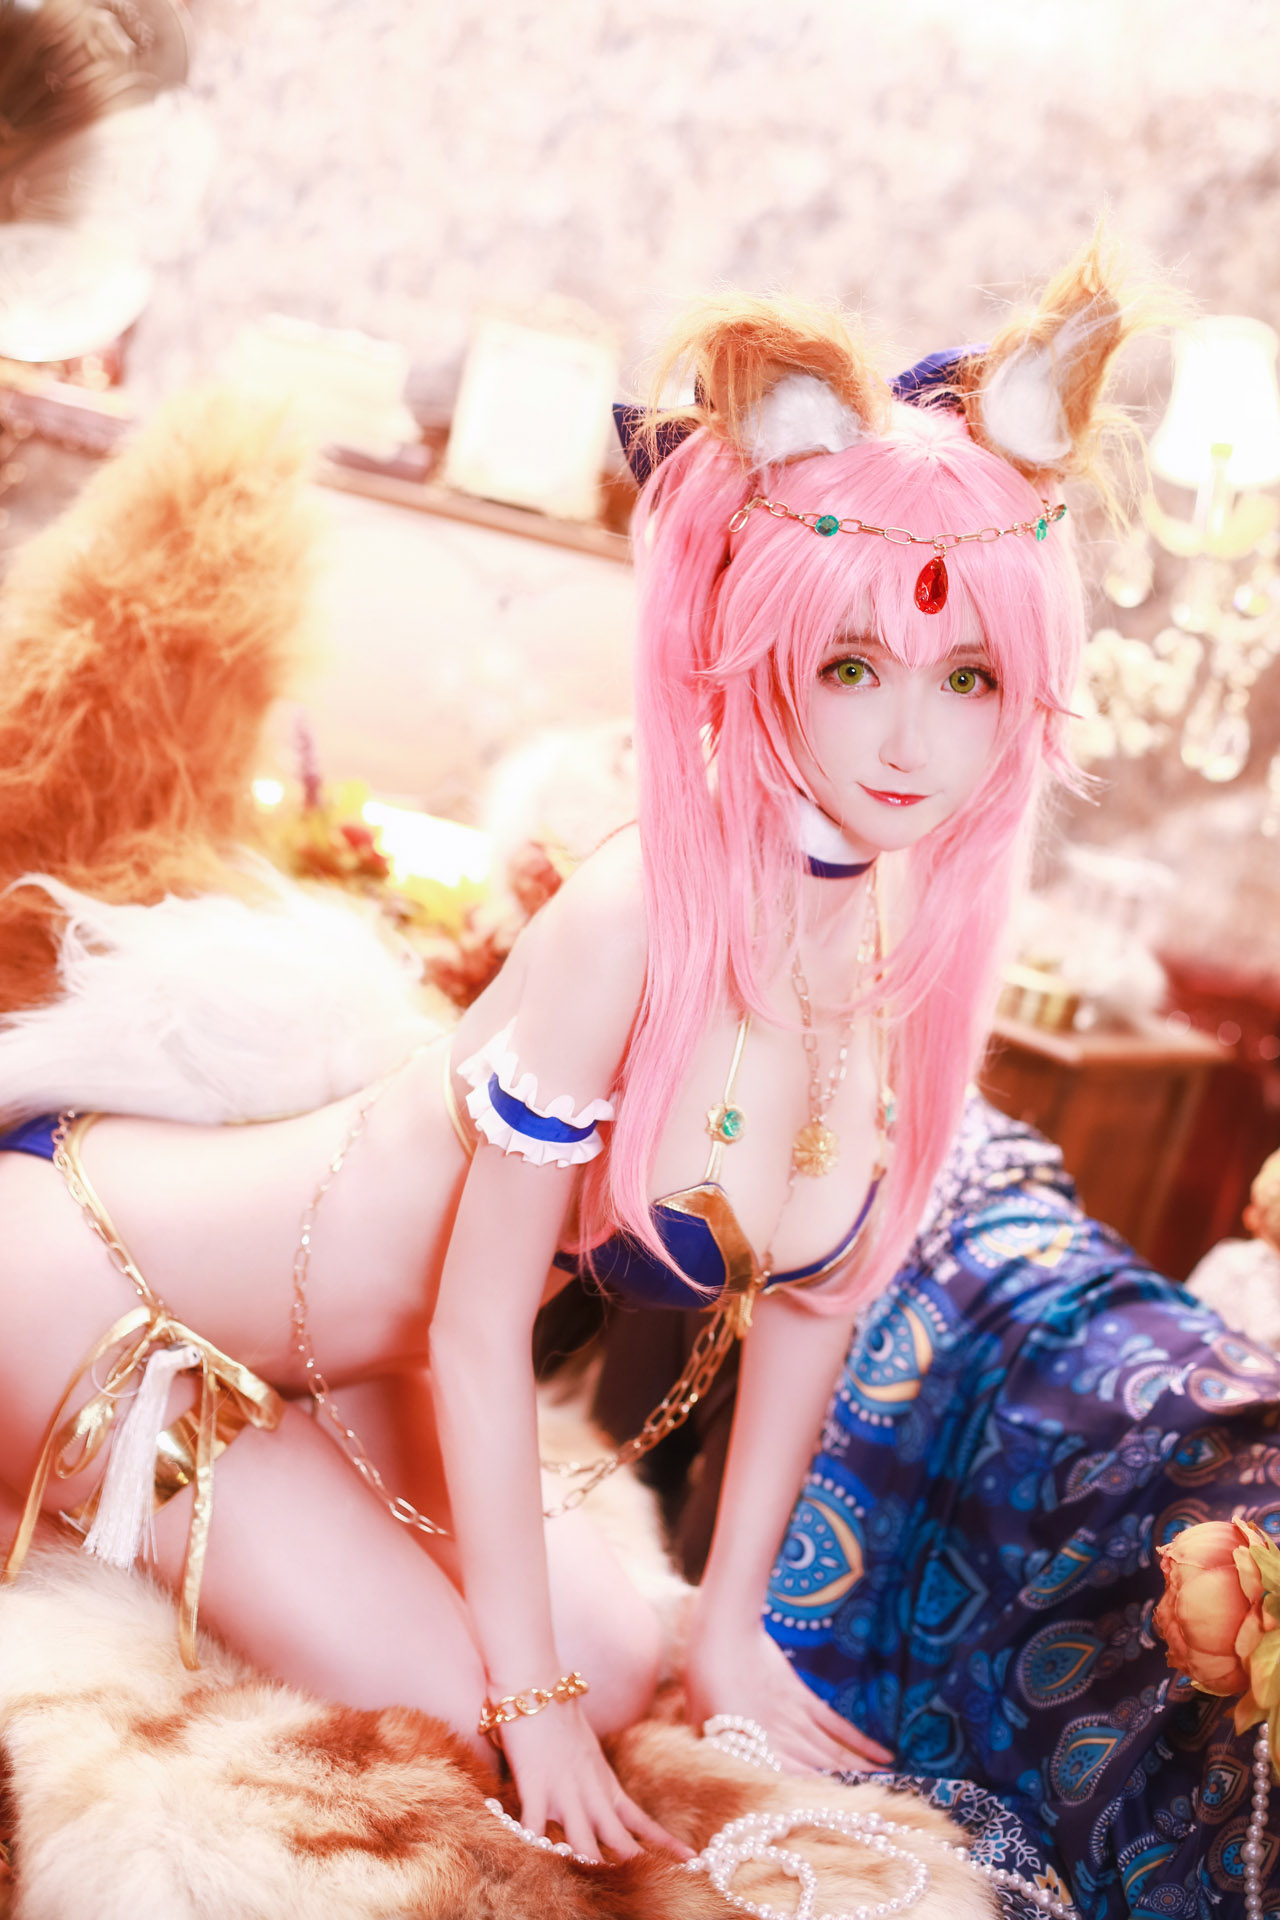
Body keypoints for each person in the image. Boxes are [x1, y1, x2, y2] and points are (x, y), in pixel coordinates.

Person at [0, 238, 1145, 1865]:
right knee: (488, 1711)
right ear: (761, 646)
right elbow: (481, 1326)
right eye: (851, 667)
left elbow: (816, 1300)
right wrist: (526, 1703)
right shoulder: (637, 910)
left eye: (970, 677)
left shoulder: (891, 952)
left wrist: (730, 1628)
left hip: (344, 1365)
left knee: (620, 1657)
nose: (913, 738)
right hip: (102, 1289)